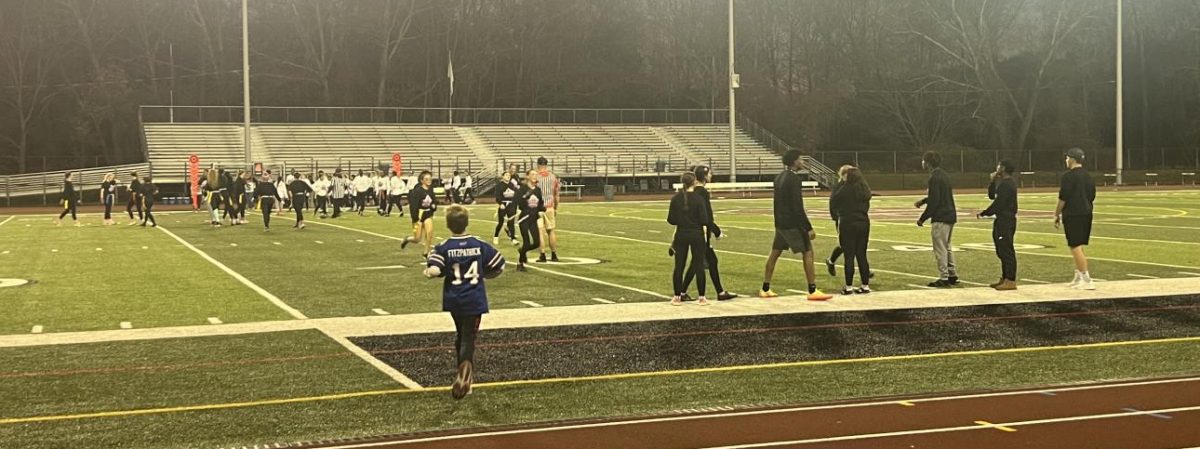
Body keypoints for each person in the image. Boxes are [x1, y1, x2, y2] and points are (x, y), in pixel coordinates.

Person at [423, 205, 505, 400]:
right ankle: (465, 373)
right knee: (469, 337)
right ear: (467, 222)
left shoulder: (444, 247)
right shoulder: (479, 244)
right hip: (474, 298)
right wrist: (484, 275)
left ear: (448, 224)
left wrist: (428, 272)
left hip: (454, 298)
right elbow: (499, 265)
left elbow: (435, 269)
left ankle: (462, 370)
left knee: (461, 334)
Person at [761, 149, 827, 300]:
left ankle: (765, 288)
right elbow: (797, 206)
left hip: (781, 223)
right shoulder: (795, 179)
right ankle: (812, 290)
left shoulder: (779, 177)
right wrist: (808, 227)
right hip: (792, 224)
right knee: (808, 252)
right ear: (795, 161)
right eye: (801, 159)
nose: (803, 162)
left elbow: (777, 203)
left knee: (774, 253)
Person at [681, 166, 737, 301]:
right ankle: (719, 293)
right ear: (704, 176)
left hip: (693, 230)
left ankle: (683, 292)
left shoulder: (693, 190)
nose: (711, 175)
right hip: (701, 232)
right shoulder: (702, 192)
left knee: (701, 262)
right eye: (709, 173)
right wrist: (716, 231)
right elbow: (707, 215)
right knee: (707, 261)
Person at [915, 151, 959, 288]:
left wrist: (922, 218)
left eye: (924, 161)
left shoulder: (934, 178)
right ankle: (952, 274)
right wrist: (923, 201)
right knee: (947, 247)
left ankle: (944, 277)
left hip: (941, 217)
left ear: (927, 163)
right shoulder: (944, 175)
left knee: (940, 248)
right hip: (950, 215)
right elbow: (939, 196)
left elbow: (935, 201)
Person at [1055, 147, 1097, 290]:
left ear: (1072, 159)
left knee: (1074, 245)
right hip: (1087, 212)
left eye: (1067, 158)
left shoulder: (1068, 177)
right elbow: (1092, 196)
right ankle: (1079, 275)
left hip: (1073, 214)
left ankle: (1087, 279)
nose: (1066, 160)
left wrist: (1056, 214)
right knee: (1079, 245)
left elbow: (1063, 198)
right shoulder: (1088, 176)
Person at [668, 172, 711, 306]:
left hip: (681, 234)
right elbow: (705, 219)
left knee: (679, 266)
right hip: (697, 234)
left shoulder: (676, 198)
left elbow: (671, 220)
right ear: (694, 182)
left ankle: (676, 297)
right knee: (698, 266)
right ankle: (702, 297)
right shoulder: (699, 199)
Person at [829, 166, 873, 295]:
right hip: (864, 222)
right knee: (862, 255)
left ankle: (848, 287)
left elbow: (834, 202)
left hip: (847, 222)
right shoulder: (864, 189)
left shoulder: (844, 189)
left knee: (849, 256)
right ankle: (865, 286)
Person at [977, 159, 1019, 291]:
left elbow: (998, 204)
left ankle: (1010, 280)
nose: (997, 167)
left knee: (1006, 250)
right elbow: (991, 196)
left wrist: (985, 213)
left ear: (1004, 168)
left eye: (999, 165)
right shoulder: (1004, 183)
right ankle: (1005, 277)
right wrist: (992, 181)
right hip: (1002, 220)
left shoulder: (1008, 184)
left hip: (1006, 220)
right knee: (1001, 249)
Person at [514, 169, 545, 272]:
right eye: (532, 174)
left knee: (537, 243)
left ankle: (522, 251)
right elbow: (520, 203)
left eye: (536, 174)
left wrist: (542, 210)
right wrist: (527, 194)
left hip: (533, 218)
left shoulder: (538, 190)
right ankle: (520, 263)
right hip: (524, 218)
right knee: (526, 242)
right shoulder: (522, 189)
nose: (535, 176)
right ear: (527, 176)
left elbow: (540, 203)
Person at [402, 171, 438, 257]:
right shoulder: (417, 191)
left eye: (430, 179)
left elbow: (433, 200)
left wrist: (434, 206)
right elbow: (413, 206)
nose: (429, 180)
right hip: (418, 215)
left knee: (429, 233)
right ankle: (407, 239)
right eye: (426, 179)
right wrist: (415, 218)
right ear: (422, 180)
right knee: (417, 238)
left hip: (428, 214)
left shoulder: (431, 189)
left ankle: (426, 252)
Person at [534, 157, 561, 262]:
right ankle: (554, 254)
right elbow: (557, 194)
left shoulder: (535, 176)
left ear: (538, 165)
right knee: (551, 231)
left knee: (540, 232)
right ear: (546, 165)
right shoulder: (553, 177)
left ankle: (543, 254)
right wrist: (556, 208)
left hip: (538, 208)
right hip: (550, 206)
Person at [493, 171, 519, 245]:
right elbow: (497, 196)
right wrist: (500, 204)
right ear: (503, 176)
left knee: (511, 222)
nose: (508, 176)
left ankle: (513, 238)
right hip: (503, 205)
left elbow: (516, 195)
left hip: (512, 205)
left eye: (509, 175)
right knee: (500, 222)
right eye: (506, 175)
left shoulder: (512, 185)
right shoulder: (499, 185)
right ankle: (496, 236)